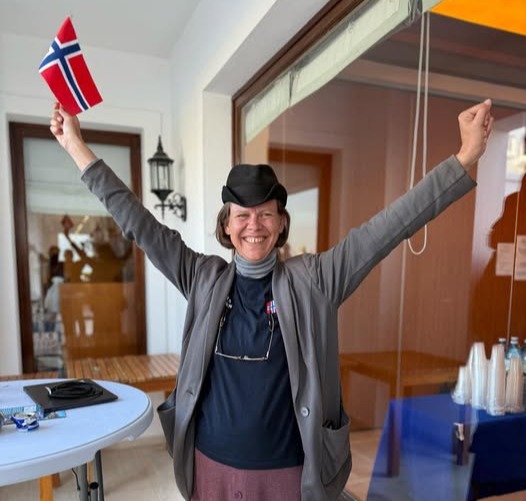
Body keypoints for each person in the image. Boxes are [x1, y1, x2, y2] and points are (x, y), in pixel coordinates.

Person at [50, 98, 493, 501]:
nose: (254, 225)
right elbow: (137, 223)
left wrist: (464, 158)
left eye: (265, 214)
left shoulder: (315, 280)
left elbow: (389, 228)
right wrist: (76, 147)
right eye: (242, 215)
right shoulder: (202, 278)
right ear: (226, 226)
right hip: (210, 469)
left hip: (287, 476)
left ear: (281, 223)